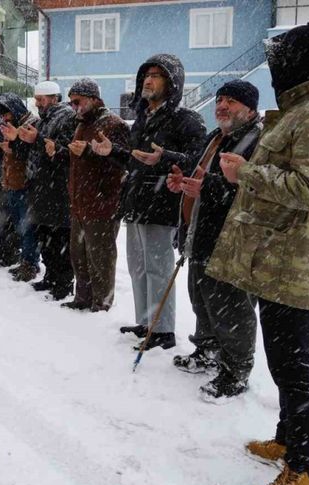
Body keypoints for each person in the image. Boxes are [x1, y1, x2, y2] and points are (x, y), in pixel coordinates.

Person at [207, 23, 309, 485]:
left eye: (282, 58)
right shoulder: (302, 111)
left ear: (303, 62)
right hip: (277, 258)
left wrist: (246, 172)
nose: (275, 66)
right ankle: (286, 439)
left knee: (296, 365)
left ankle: (304, 472)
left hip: (298, 260)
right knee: (283, 361)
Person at [93, 54, 206, 348]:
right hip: (135, 203)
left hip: (162, 204)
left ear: (172, 83)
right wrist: (113, 152)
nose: (148, 79)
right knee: (138, 267)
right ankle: (145, 322)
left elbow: (199, 159)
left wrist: (166, 157)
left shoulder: (186, 120)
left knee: (158, 268)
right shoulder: (141, 121)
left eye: (157, 75)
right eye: (146, 74)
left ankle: (163, 329)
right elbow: (135, 161)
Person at [166, 80, 262, 401]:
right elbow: (203, 178)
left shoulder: (255, 141)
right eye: (220, 99)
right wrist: (183, 183)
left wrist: (206, 188)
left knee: (231, 306)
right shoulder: (217, 137)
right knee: (202, 297)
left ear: (249, 108)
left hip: (232, 239)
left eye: (232, 101)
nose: (222, 105)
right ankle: (207, 351)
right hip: (201, 232)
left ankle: (236, 371)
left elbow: (250, 192)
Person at [56, 79, 130, 311]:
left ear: (93, 99)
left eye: (77, 101)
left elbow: (122, 162)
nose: (73, 106)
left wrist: (90, 152)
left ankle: (102, 303)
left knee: (101, 257)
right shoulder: (82, 123)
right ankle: (83, 297)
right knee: (79, 255)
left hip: (102, 202)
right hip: (80, 202)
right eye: (71, 102)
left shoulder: (113, 124)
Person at [16, 80, 77, 300]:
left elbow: (61, 151)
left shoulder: (67, 118)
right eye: (36, 99)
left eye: (41, 99)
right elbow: (36, 148)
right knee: (45, 237)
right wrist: (21, 140)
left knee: (59, 238)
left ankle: (63, 283)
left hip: (57, 189)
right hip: (40, 187)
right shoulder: (42, 120)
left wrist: (37, 139)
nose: (37, 103)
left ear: (53, 98)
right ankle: (51, 277)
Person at [0, 92, 40, 279]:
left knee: (28, 228)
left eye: (7, 113)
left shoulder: (31, 124)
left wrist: (14, 143)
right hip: (12, 183)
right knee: (19, 226)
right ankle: (25, 260)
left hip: (25, 184)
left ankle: (31, 263)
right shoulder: (12, 125)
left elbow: (29, 153)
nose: (5, 118)